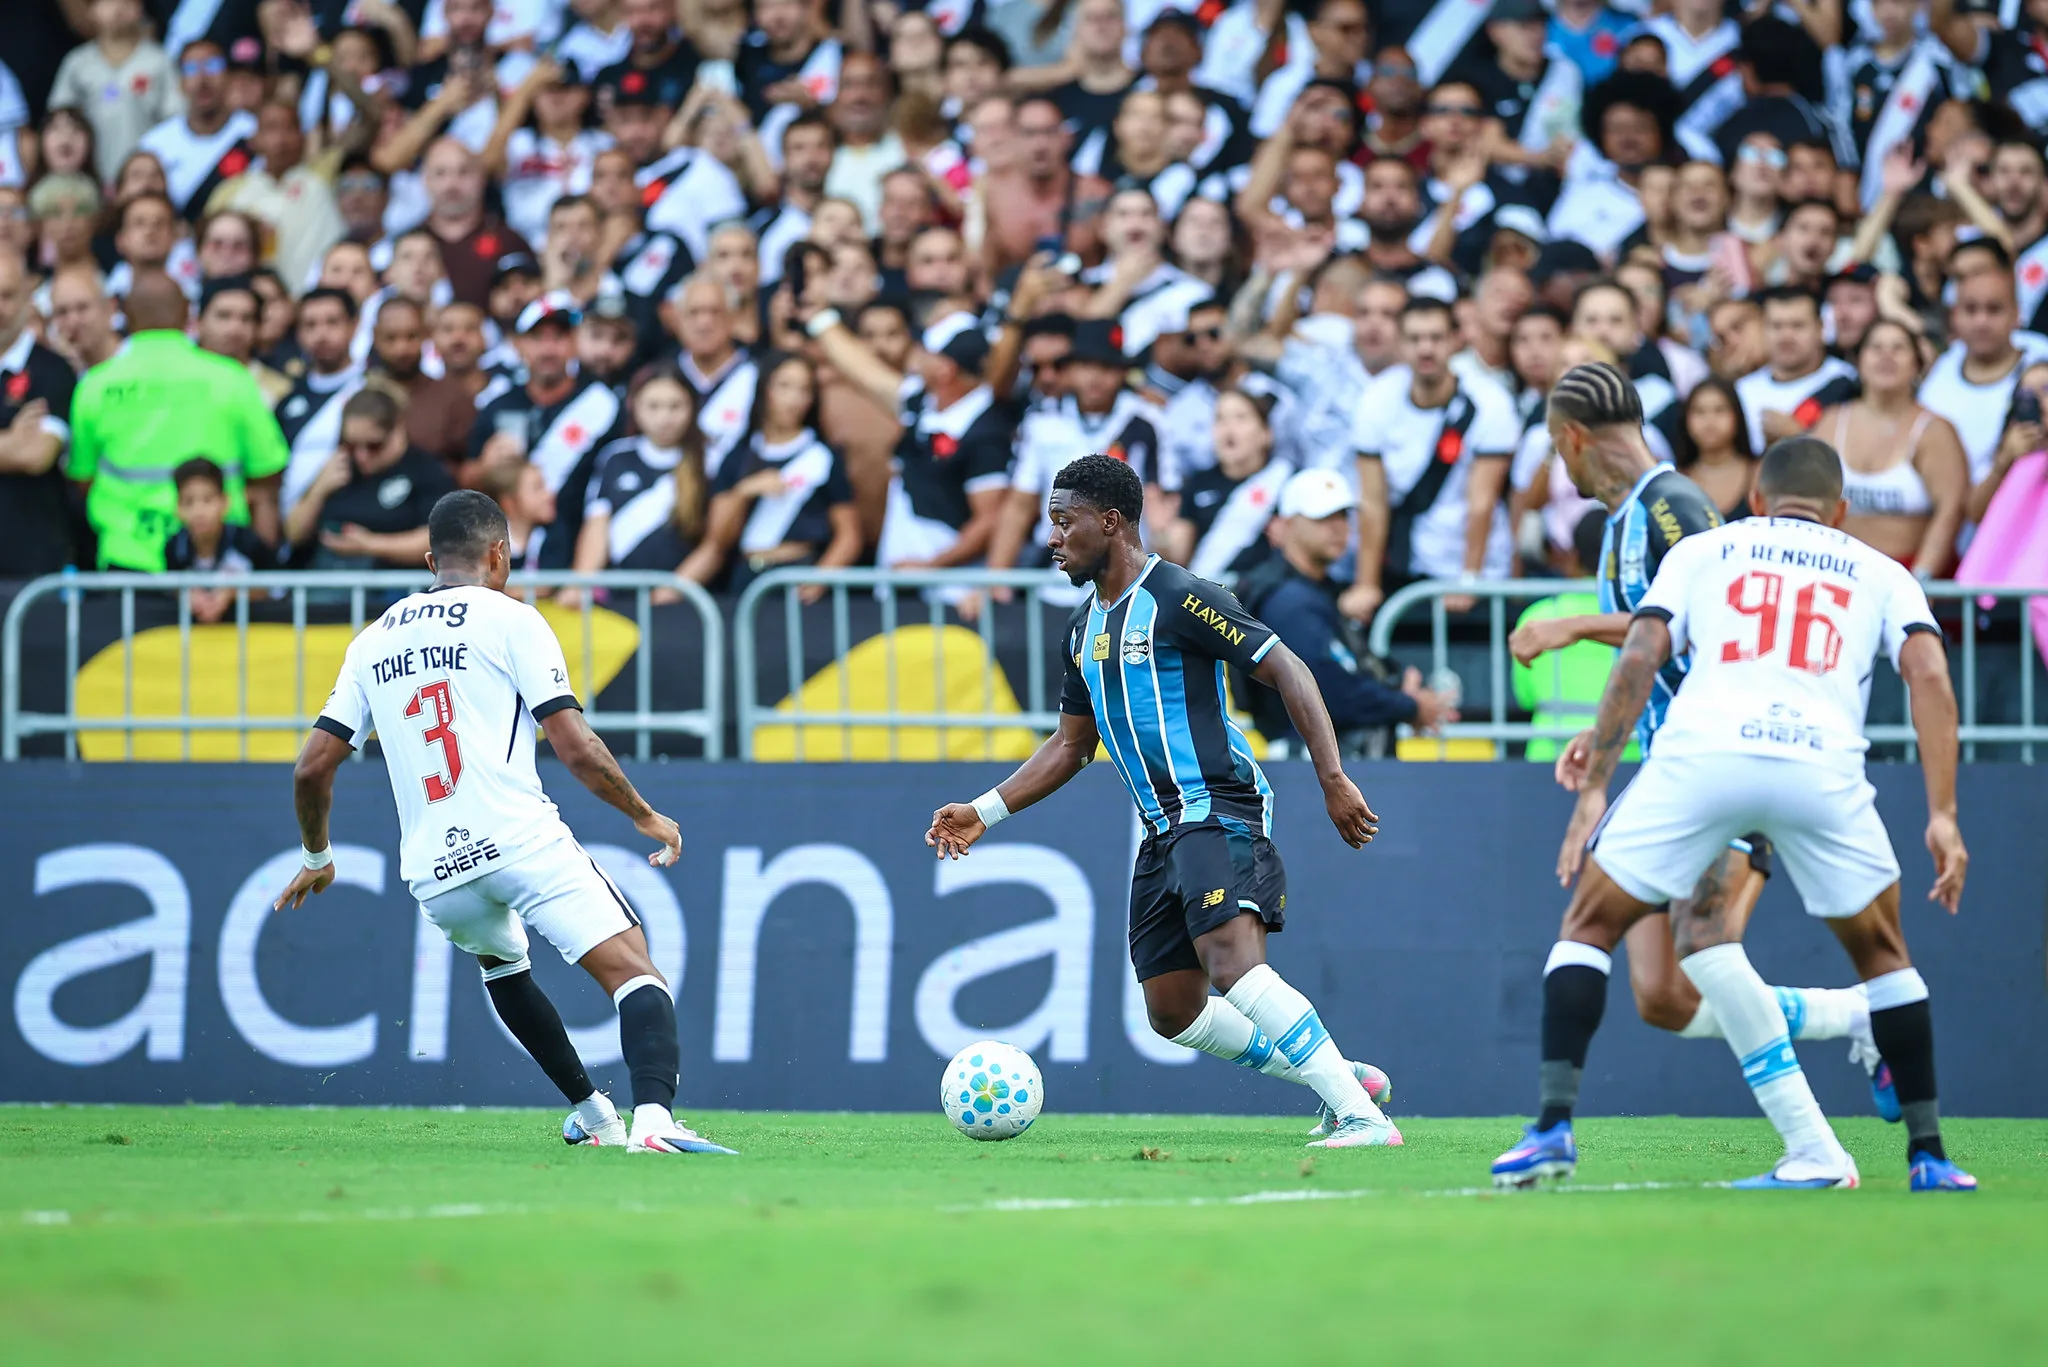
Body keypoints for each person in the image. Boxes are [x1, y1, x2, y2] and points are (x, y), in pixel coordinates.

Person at [1499, 432, 1975, 1193]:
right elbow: (1930, 677)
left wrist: (1597, 785)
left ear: (1755, 499)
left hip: (1705, 755)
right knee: (1885, 957)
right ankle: (1930, 1157)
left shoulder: (1707, 550)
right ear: (1841, 510)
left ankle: (1553, 1128)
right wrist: (1942, 812)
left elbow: (1642, 652)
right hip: (1819, 764)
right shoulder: (1883, 571)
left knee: (1588, 927)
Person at [924, 455, 1400, 1148]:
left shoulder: (1180, 595)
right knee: (1173, 1011)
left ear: (1110, 522)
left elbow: (1287, 667)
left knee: (1233, 966)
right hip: (1161, 828)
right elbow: (1071, 745)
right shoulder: (1082, 630)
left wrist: (1331, 776)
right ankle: (1340, 1078)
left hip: (1217, 805)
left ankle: (1363, 1118)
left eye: (1063, 522)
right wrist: (983, 810)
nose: (1051, 539)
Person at [277, 489, 736, 1158]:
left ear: (431, 561)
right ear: (499, 553)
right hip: (519, 838)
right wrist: (643, 814)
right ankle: (654, 1120)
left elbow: (311, 768)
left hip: (434, 869)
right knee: (634, 969)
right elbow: (574, 745)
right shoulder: (513, 619)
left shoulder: (372, 641)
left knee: (503, 967)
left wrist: (317, 855)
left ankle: (594, 1115)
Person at [68, 269, 287, 572]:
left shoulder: (95, 385)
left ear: (125, 315)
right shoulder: (232, 378)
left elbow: (82, 478)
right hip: (214, 557)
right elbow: (267, 471)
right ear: (188, 314)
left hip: (130, 555)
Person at [1237, 467, 1456, 757]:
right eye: (1323, 518)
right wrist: (1409, 706)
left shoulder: (1317, 590)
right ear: (1286, 524)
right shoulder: (1288, 599)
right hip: (1308, 763)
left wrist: (1398, 678)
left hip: (1325, 758)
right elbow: (1328, 692)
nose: (1338, 527)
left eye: (1342, 516)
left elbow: (1346, 668)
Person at [1347, 297, 1520, 624]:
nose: (1425, 349)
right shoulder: (1376, 399)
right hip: (1407, 563)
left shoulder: (1490, 402)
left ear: (1456, 340)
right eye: (1414, 339)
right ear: (1399, 343)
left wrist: (1469, 580)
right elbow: (1372, 502)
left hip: (1474, 570)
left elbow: (1481, 502)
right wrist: (1366, 584)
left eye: (1436, 338)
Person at [469, 294, 626, 562]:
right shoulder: (497, 405)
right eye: (538, 338)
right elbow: (466, 477)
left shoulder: (603, 404)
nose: (548, 349)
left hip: (583, 551)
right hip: (513, 555)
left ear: (574, 342)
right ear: (519, 345)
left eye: (559, 337)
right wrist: (485, 466)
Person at [1818, 319, 1969, 578]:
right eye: (1876, 348)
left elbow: (1951, 509)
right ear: (1858, 361)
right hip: (1839, 575)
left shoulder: (1934, 430)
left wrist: (1921, 579)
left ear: (1917, 364)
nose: (1886, 356)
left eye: (1898, 348)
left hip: (1908, 573)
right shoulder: (1831, 421)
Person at [565, 366, 712, 599]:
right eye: (653, 406)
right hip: (620, 600)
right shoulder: (615, 457)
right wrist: (579, 586)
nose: (664, 418)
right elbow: (597, 525)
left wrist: (672, 591)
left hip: (685, 602)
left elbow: (715, 542)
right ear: (634, 406)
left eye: (675, 406)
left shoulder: (709, 461)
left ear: (693, 407)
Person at [285, 386, 457, 569]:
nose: (362, 456)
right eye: (352, 446)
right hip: (328, 579)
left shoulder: (427, 472)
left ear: (398, 430)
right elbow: (293, 534)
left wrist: (370, 545)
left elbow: (439, 541)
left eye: (374, 446)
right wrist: (318, 491)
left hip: (395, 582)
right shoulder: (336, 469)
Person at [0, 248, 79, 577]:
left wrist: (20, 447)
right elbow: (18, 451)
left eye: (6, 295)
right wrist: (10, 441)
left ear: (28, 296)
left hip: (32, 567)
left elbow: (35, 455)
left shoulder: (52, 370)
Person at [1165, 387, 1290, 580]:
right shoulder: (1198, 483)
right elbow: (1177, 558)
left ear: (1266, 434)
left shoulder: (1287, 484)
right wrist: (1162, 535)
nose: (1228, 429)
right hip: (1208, 593)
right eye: (1220, 419)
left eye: (1240, 418)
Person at [1734, 287, 1861, 455]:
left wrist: (1798, 435)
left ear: (1820, 328)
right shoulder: (1742, 390)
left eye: (1798, 326)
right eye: (1776, 326)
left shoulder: (1850, 381)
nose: (1786, 336)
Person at [163, 457, 282, 623]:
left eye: (207, 500)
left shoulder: (247, 543)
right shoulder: (174, 548)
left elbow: (275, 589)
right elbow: (169, 588)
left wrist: (233, 593)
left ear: (224, 502)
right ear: (178, 508)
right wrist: (185, 594)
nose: (199, 511)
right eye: (189, 502)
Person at [1671, 377, 1757, 522]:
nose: (1709, 421)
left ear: (1737, 416)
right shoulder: (1674, 481)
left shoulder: (1759, 474)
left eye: (1720, 410)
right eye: (1699, 411)